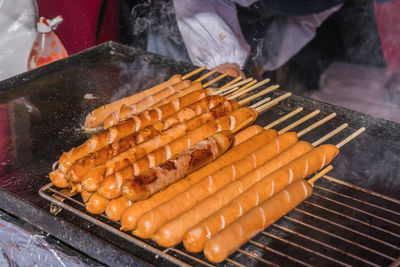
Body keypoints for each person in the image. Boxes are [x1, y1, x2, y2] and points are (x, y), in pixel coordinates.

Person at [139, 0, 345, 79]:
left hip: (254, 12)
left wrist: (262, 60)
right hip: (187, 13)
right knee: (173, 90)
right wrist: (222, 58)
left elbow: (305, 17)